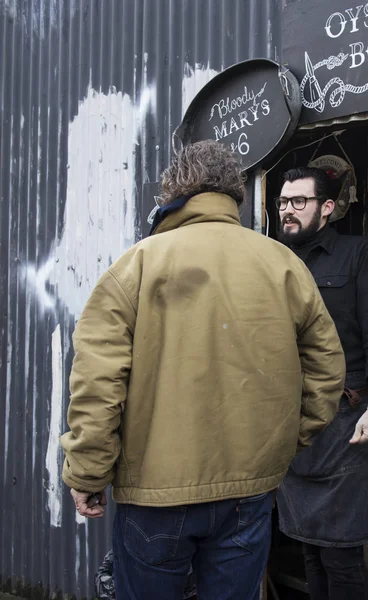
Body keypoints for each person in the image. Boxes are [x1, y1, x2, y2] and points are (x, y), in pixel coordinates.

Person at [60, 141, 346, 600]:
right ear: (234, 194)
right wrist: (285, 442)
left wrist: (88, 473)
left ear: (175, 189)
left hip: (154, 497)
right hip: (247, 493)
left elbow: (97, 385)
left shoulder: (134, 267)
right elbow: (328, 370)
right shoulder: (283, 265)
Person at [275, 167, 368, 599]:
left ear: (326, 208)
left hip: (349, 419)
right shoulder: (275, 259)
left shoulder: (359, 254)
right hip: (295, 424)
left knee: (341, 556)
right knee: (308, 547)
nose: (288, 211)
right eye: (283, 202)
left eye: (299, 202)